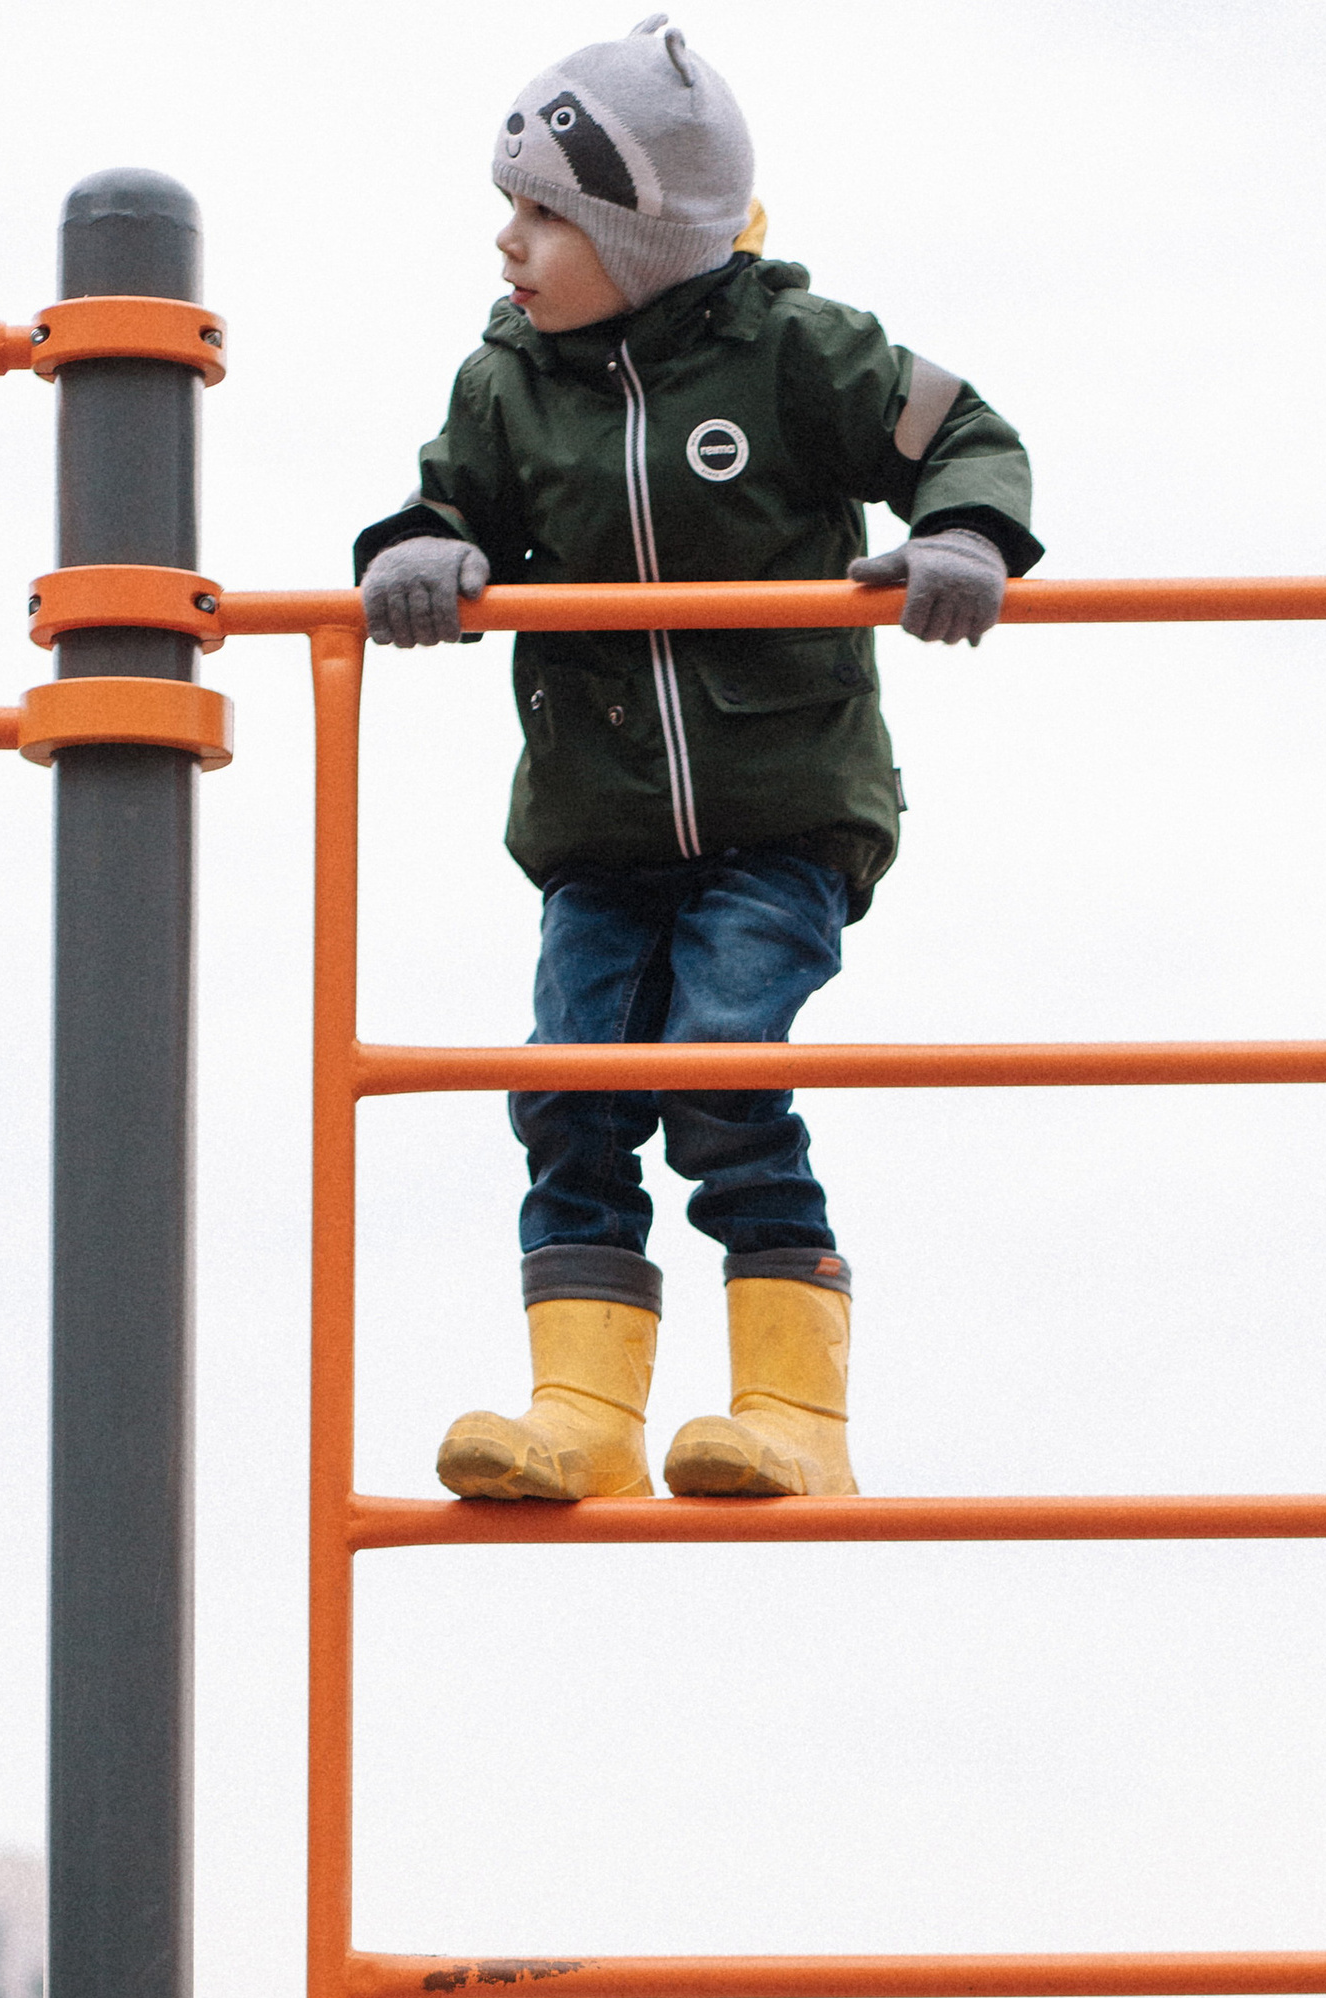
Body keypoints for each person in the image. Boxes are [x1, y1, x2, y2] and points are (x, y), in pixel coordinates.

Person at [355, 13, 1037, 1502]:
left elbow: (964, 431)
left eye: (544, 213)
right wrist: (419, 556)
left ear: (646, 231)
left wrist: (964, 536)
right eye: (512, 206)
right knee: (570, 1093)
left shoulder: (795, 352)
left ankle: (797, 1417)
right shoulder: (509, 388)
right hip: (600, 825)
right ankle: (581, 1415)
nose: (508, 242)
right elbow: (444, 506)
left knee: (720, 1067)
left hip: (781, 810)